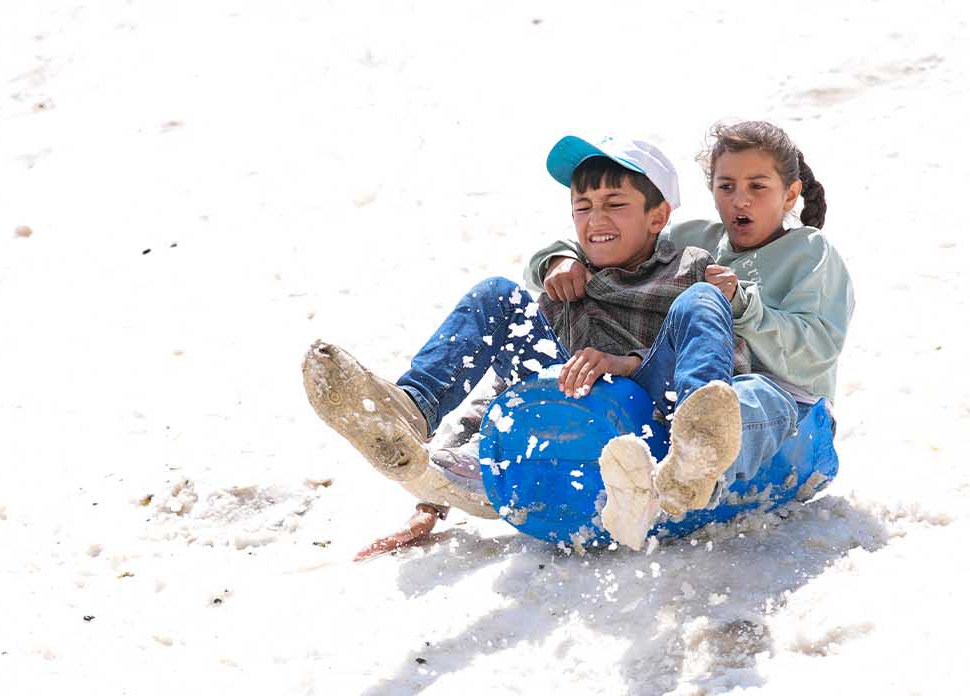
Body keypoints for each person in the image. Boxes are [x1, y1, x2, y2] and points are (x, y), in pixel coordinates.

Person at [302, 134, 745, 557]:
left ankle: (696, 447)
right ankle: (413, 408)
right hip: (565, 401)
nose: (596, 219)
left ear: (658, 216)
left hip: (647, 403)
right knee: (497, 292)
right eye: (583, 207)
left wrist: (627, 364)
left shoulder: (690, 268)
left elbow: (721, 348)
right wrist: (428, 496)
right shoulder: (565, 283)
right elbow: (506, 392)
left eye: (615, 205)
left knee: (704, 301)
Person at [531, 120, 856, 548]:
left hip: (790, 409)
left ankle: (697, 466)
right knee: (696, 323)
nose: (740, 199)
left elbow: (815, 353)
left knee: (748, 391)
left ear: (790, 194)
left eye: (757, 186)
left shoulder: (811, 252)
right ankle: (675, 460)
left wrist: (745, 306)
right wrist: (558, 258)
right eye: (726, 187)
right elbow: (618, 238)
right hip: (693, 396)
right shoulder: (694, 239)